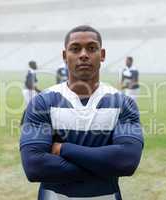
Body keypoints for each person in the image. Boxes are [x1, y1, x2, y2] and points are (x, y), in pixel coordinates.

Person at [20, 25, 144, 200]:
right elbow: (35, 167)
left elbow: (126, 162)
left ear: (102, 55)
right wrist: (103, 165)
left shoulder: (123, 103)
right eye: (75, 48)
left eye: (92, 48)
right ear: (65, 56)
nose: (84, 54)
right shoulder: (42, 102)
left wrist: (63, 148)